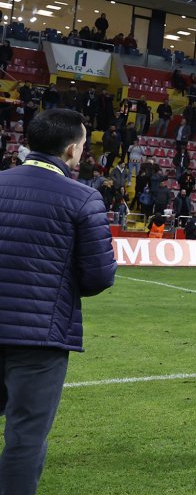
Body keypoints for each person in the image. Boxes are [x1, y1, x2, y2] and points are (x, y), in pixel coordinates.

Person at [0, 109, 116, 494]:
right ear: (71, 150)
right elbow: (99, 276)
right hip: (39, 338)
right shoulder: (83, 198)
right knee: (25, 437)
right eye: (83, 146)